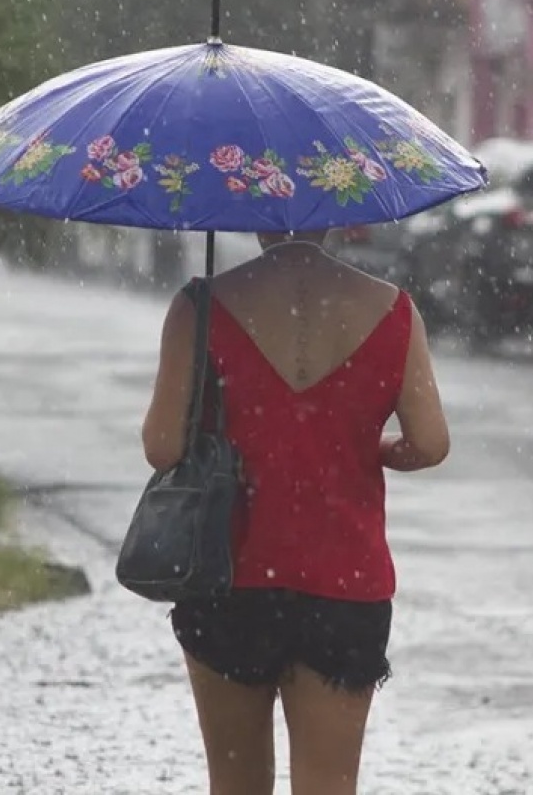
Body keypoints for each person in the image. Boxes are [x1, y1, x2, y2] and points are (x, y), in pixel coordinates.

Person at [142, 229, 450, 795]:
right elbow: (429, 443)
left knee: (235, 785)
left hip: (227, 577)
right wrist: (364, 448)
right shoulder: (394, 309)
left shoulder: (199, 306)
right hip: (344, 587)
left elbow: (163, 449)